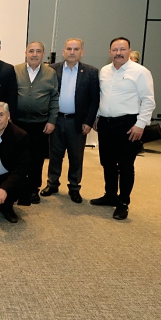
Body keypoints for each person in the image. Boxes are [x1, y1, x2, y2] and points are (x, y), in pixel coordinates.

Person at [91, 37, 155, 220]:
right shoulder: (104, 71)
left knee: (125, 165)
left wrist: (140, 124)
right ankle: (110, 195)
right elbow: (102, 96)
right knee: (107, 162)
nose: (118, 53)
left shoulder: (140, 72)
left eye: (122, 49)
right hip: (105, 124)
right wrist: (97, 116)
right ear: (109, 52)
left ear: (129, 51)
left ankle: (123, 202)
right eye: (115, 50)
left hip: (127, 125)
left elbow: (148, 100)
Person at [41, 38, 99, 204]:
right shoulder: (52, 70)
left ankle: (74, 187)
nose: (72, 52)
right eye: (69, 49)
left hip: (77, 122)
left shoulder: (91, 72)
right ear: (63, 51)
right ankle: (52, 184)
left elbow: (94, 99)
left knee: (76, 157)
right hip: (56, 120)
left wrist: (89, 121)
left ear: (82, 52)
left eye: (76, 49)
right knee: (55, 155)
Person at [13, 41, 59, 205]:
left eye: (38, 51)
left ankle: (33, 189)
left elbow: (54, 98)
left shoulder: (50, 73)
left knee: (36, 158)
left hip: (40, 124)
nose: (34, 54)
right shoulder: (16, 70)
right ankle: (16, 188)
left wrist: (52, 120)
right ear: (26, 53)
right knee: (17, 157)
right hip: (17, 123)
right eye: (31, 51)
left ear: (43, 54)